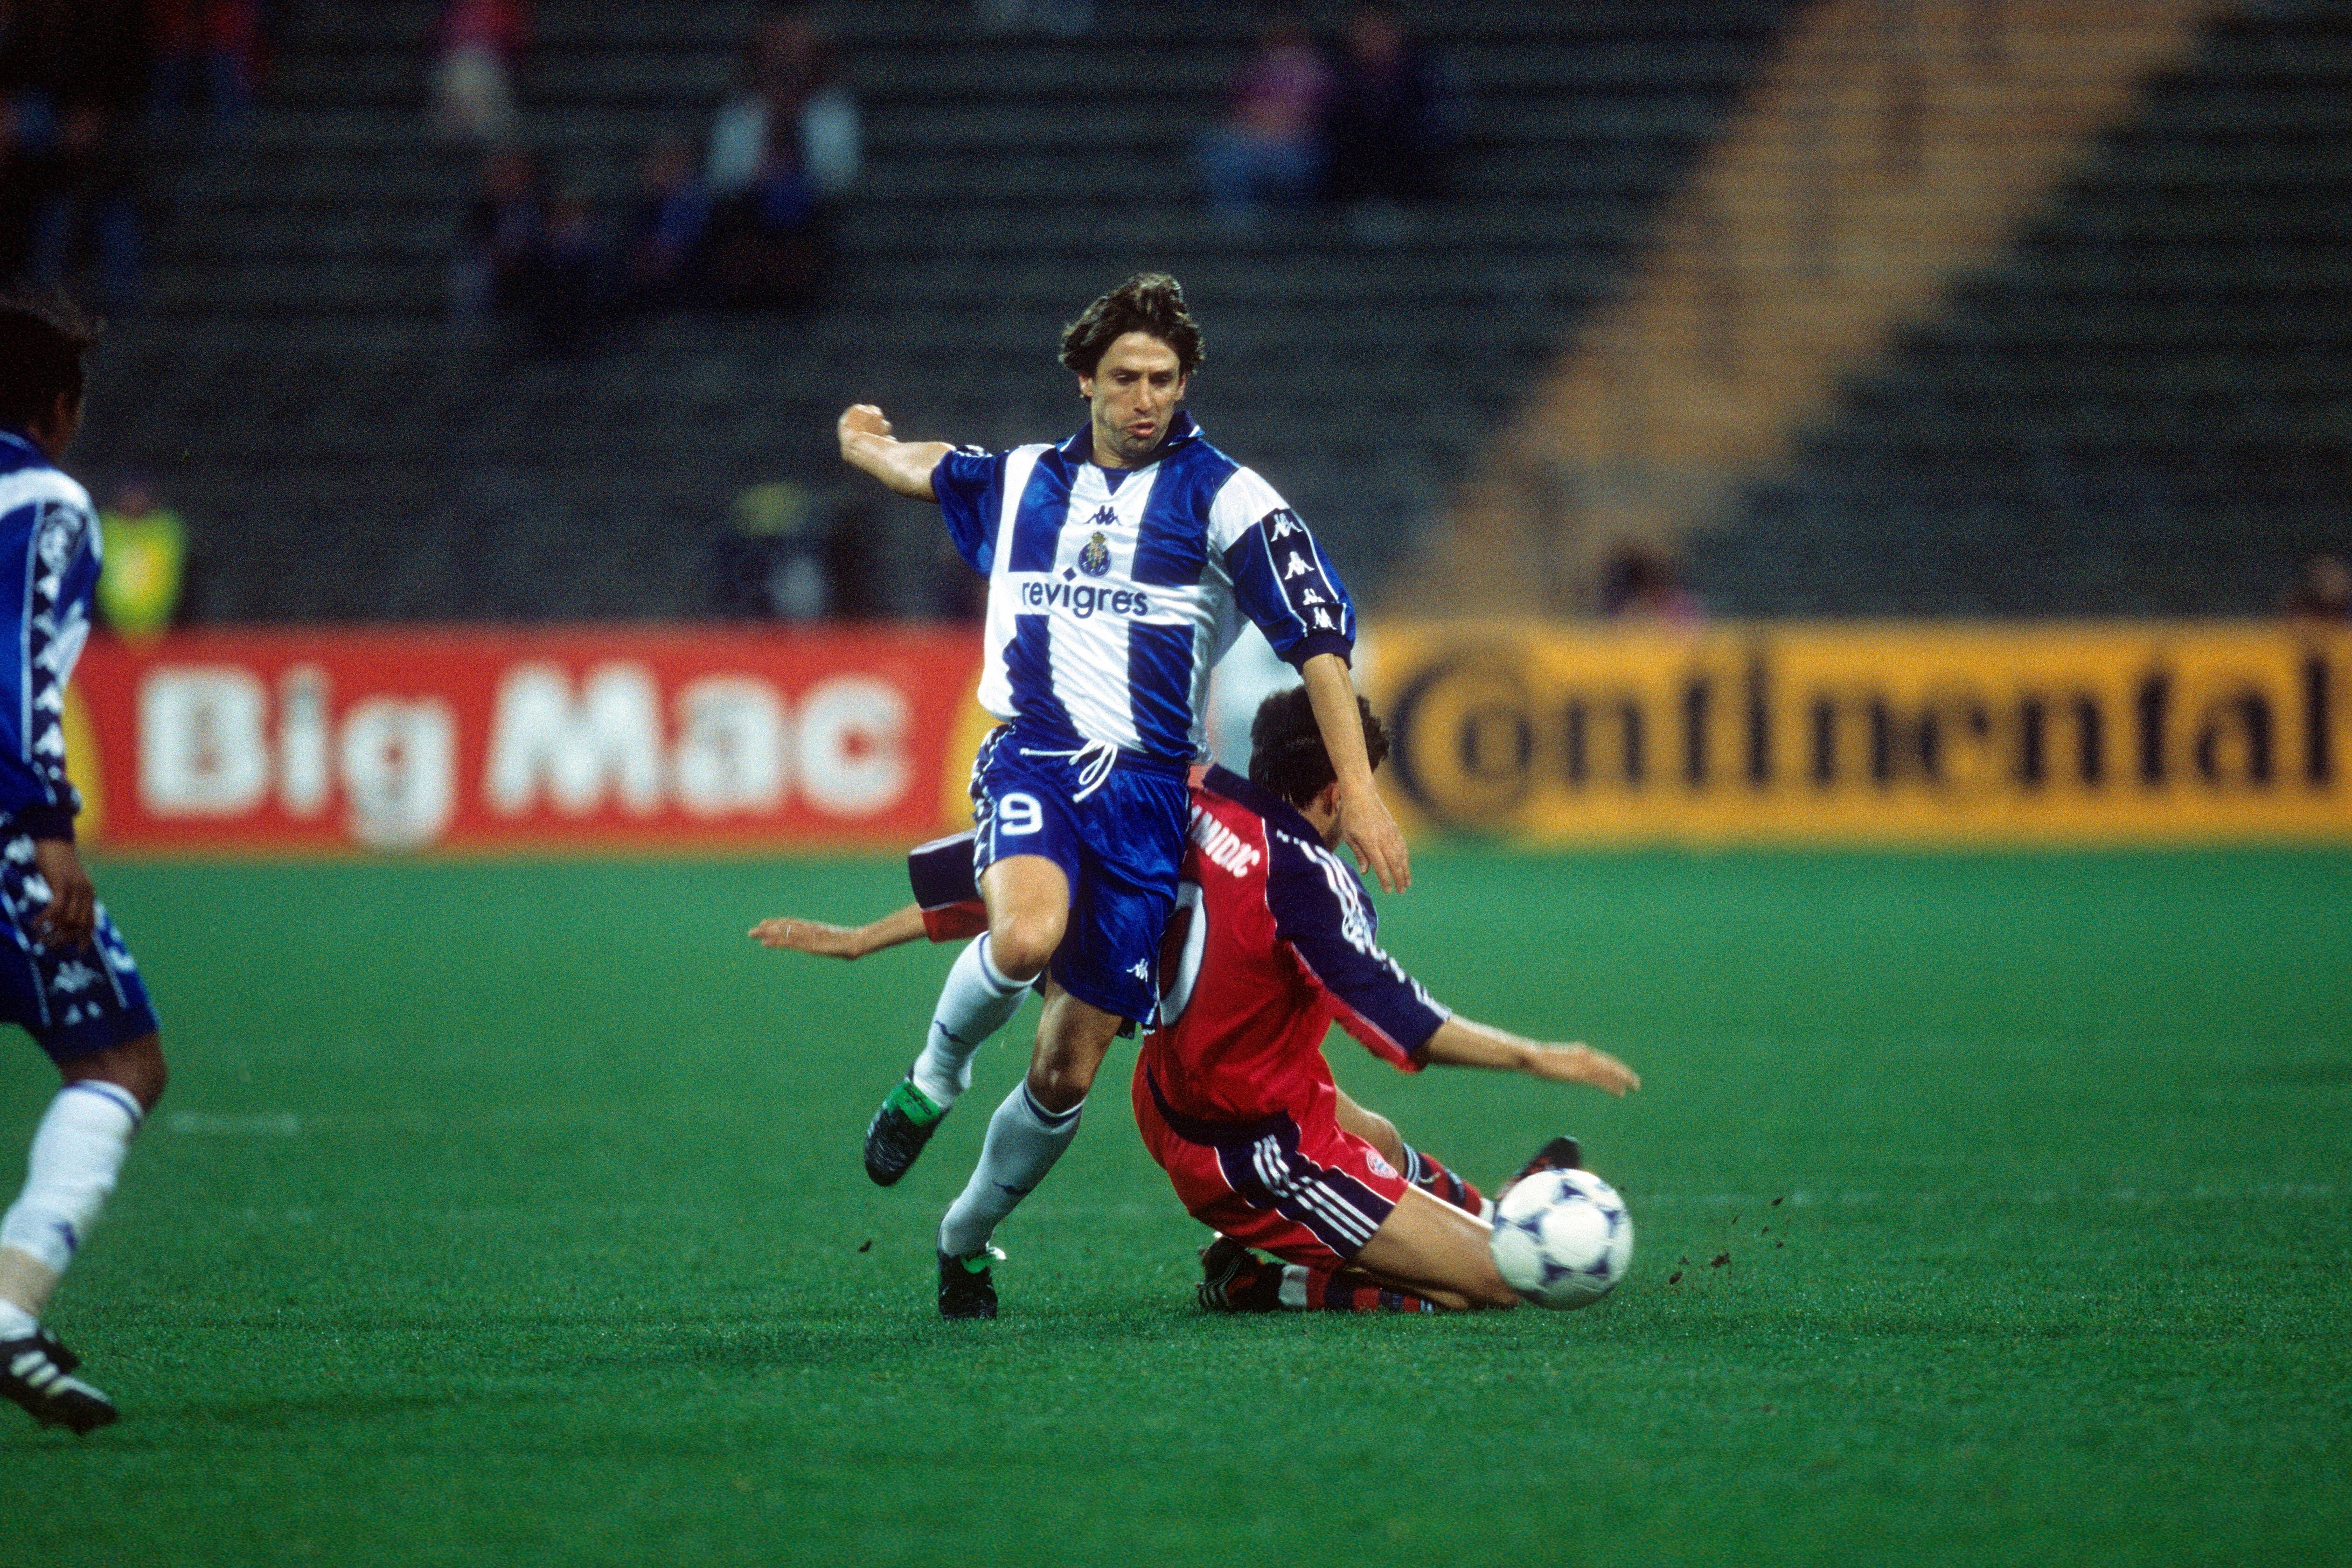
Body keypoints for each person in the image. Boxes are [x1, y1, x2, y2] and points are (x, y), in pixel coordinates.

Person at [834, 272, 1410, 1317]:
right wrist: (871, 448)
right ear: (1083, 382)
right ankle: (932, 1079)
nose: (1146, 398)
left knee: (1065, 1071)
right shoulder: (1022, 480)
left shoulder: (1230, 497)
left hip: (1146, 796)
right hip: (1034, 755)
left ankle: (963, 1237)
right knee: (1020, 939)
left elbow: (1321, 648)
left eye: (1165, 379)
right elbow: (935, 470)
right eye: (1125, 378)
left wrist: (1361, 797)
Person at [752, 688, 1638, 1314]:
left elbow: (1024, 866)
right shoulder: (1309, 883)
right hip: (1256, 1156)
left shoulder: (1181, 792)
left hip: (1186, 1090)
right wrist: (1538, 1056)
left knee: (1375, 1136)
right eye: (1367, 787)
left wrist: (869, 933)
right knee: (1490, 1285)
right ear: (1337, 792)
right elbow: (1402, 1024)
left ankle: (1491, 1206)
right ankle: (1261, 1282)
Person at [0, 293, 168, 1433]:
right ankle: (9, 1307)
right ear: (58, 410)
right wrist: (49, 822)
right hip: (4, 835)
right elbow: (13, 663)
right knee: (118, 1056)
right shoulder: (43, 498)